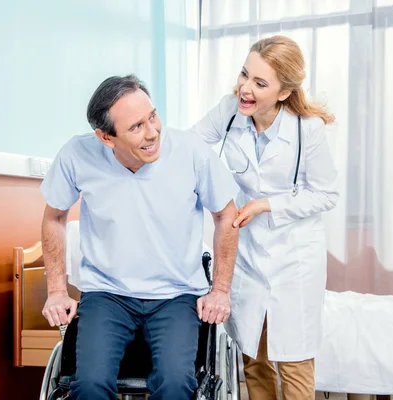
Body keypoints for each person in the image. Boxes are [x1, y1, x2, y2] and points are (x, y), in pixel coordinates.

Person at [39, 74, 239, 400]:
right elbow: (54, 217)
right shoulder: (77, 155)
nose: (152, 132)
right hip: (107, 294)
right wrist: (57, 290)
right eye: (136, 127)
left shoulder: (191, 151)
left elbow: (226, 215)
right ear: (106, 137)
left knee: (176, 386)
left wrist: (220, 290)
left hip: (176, 295)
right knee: (88, 386)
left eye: (153, 116)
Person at [188, 35, 339, 399]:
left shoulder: (308, 130)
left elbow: (326, 194)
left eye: (260, 83)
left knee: (294, 360)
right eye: (244, 74)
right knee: (252, 357)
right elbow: (189, 145)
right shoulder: (229, 111)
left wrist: (265, 204)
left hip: (295, 257)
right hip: (249, 253)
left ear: (283, 92)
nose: (245, 88)